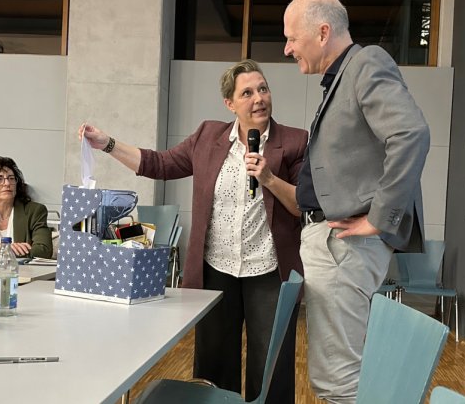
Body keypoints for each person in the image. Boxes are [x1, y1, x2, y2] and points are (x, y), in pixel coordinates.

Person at [80, 59, 307, 403]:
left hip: (269, 272)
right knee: (214, 366)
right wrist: (107, 143)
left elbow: (302, 205)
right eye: (247, 93)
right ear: (230, 103)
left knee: (271, 372)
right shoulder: (207, 137)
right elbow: (159, 163)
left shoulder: (294, 141)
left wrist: (270, 179)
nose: (259, 98)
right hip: (216, 271)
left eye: (263, 89)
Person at [283, 0, 431, 404]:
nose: (288, 48)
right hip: (337, 245)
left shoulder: (366, 63)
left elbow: (411, 133)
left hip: (343, 245)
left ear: (323, 32)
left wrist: (380, 218)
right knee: (340, 374)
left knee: (338, 381)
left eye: (292, 38)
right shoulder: (343, 75)